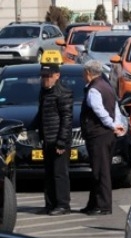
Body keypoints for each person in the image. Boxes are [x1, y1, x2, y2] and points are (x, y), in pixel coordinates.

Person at [80, 60, 125, 216]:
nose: (83, 76)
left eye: (83, 73)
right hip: (107, 134)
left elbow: (100, 111)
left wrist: (112, 125)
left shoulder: (94, 90)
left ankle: (103, 205)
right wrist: (116, 124)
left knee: (101, 171)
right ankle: (93, 203)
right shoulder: (107, 86)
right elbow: (116, 108)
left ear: (88, 73)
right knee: (98, 169)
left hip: (99, 134)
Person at [37, 50, 73, 216]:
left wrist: (61, 142)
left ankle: (63, 204)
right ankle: (50, 204)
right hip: (47, 139)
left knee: (60, 174)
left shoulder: (63, 93)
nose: (46, 79)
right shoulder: (44, 92)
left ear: (57, 75)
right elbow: (41, 115)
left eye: (49, 76)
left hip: (59, 141)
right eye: (43, 76)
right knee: (49, 174)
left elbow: (67, 119)